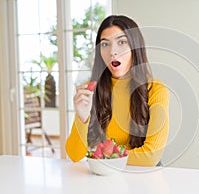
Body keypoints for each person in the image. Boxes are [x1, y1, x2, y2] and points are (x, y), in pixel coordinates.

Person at [65, 15, 170, 167]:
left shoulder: (156, 90)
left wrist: (101, 157)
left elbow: (150, 156)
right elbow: (75, 155)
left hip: (144, 178)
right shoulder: (91, 89)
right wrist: (82, 118)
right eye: (105, 44)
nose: (113, 51)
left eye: (122, 42)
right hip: (106, 176)